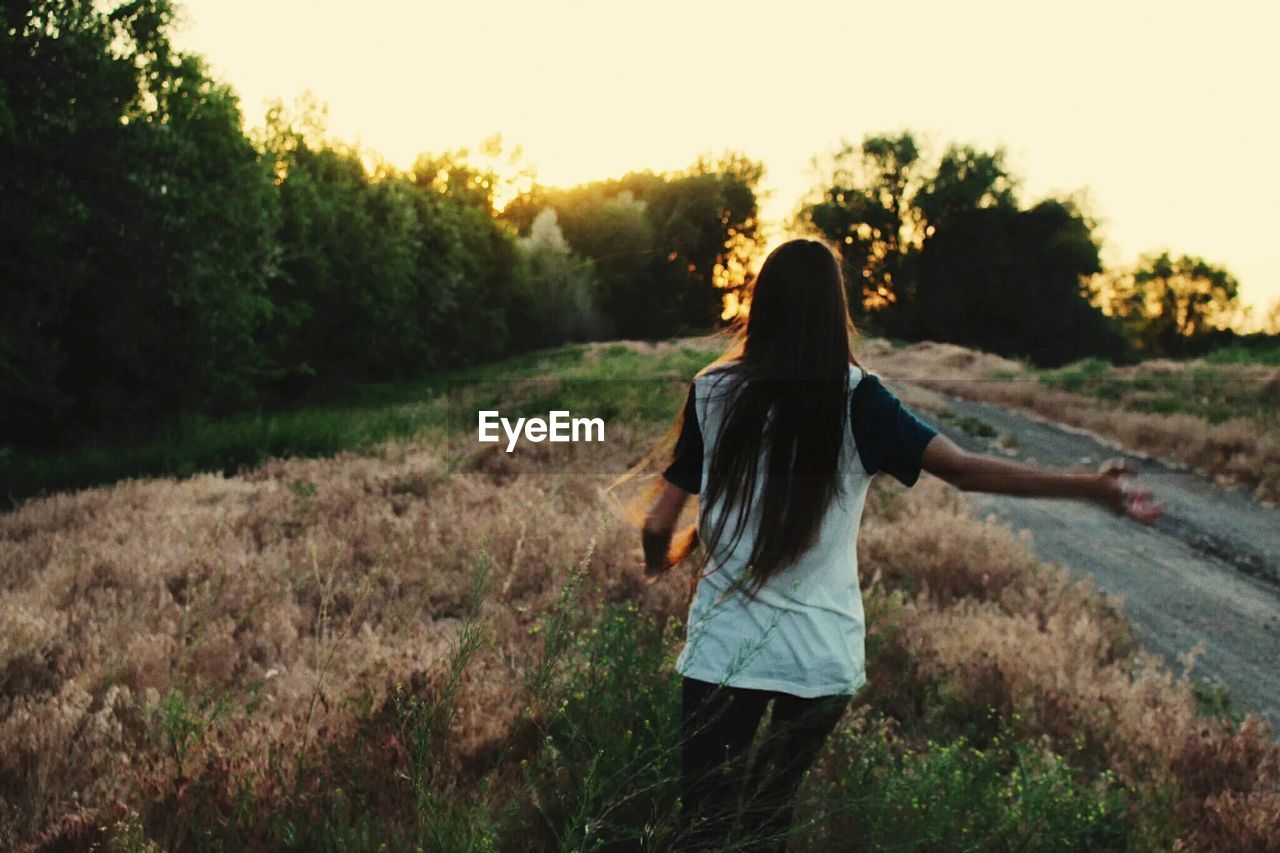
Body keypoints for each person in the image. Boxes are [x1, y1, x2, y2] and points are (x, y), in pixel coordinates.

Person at [639, 238, 1165, 851]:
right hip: (819, 655)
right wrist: (1090, 488)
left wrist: (665, 562)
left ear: (763, 303)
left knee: (701, 824)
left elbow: (657, 524)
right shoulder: (860, 399)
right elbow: (965, 470)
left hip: (722, 649)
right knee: (767, 818)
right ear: (835, 310)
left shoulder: (713, 391)